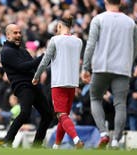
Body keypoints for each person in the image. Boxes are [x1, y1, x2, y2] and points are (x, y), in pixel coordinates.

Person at [81, 0, 137, 149]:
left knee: (95, 98)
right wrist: (128, 66)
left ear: (105, 1)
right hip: (122, 69)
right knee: (120, 104)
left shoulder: (98, 19)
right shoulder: (131, 23)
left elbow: (91, 45)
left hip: (101, 67)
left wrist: (85, 68)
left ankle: (103, 133)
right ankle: (116, 141)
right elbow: (135, 49)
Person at [32, 15, 84, 149]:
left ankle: (76, 139)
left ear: (60, 26)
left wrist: (37, 75)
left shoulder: (55, 40)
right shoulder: (78, 41)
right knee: (64, 116)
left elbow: (45, 60)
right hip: (72, 82)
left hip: (59, 82)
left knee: (61, 115)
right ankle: (56, 146)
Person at [0, 24, 53, 147]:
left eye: (19, 33)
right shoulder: (6, 52)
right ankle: (7, 142)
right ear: (8, 35)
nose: (18, 35)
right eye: (15, 33)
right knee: (25, 113)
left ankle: (37, 146)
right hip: (23, 86)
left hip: (34, 84)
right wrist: (44, 56)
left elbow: (36, 65)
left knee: (47, 115)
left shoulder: (22, 50)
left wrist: (49, 57)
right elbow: (23, 67)